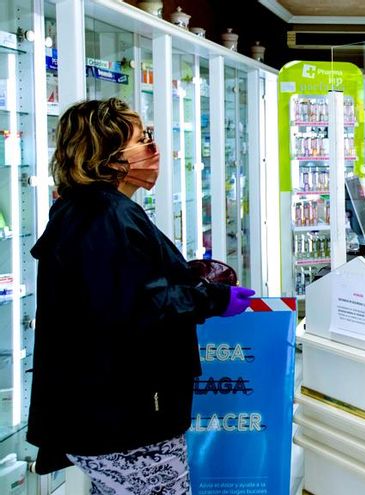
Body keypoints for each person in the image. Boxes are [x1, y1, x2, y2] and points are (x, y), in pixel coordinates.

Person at [27, 98, 255, 493]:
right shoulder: (107, 216)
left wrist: (188, 280)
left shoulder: (84, 210)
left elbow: (120, 287)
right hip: (127, 416)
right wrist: (214, 299)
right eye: (141, 138)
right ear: (108, 154)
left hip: (100, 410)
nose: (152, 148)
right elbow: (142, 305)